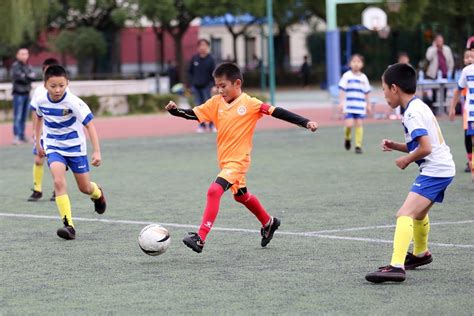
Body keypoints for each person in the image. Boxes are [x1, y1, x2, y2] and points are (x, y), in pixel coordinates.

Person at [165, 62, 318, 253]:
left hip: (239, 161)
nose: (220, 90)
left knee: (214, 190)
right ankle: (268, 222)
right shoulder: (215, 103)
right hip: (225, 161)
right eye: (217, 86)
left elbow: (277, 112)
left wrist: (305, 122)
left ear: (237, 83)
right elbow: (193, 114)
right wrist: (174, 111)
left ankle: (201, 238)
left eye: (224, 86)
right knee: (241, 196)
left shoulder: (250, 104)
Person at [365, 63, 455, 283]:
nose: (384, 95)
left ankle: (396, 266)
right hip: (443, 168)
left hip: (435, 170)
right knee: (419, 214)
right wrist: (396, 146)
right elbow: (422, 144)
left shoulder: (412, 113)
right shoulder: (417, 106)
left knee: (404, 214)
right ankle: (421, 253)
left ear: (394, 88)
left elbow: (425, 148)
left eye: (384, 90)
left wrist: (405, 160)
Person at [33, 65, 107, 240]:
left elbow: (90, 125)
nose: (57, 90)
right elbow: (38, 118)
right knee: (58, 182)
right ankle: (69, 226)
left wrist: (96, 151)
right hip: (54, 147)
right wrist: (37, 142)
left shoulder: (74, 102)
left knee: (84, 188)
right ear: (45, 85)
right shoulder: (41, 100)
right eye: (53, 86)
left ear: (67, 83)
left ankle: (97, 193)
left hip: (75, 148)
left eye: (61, 85)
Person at [28, 58, 63, 202]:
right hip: (42, 131)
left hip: (56, 133)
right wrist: (33, 129)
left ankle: (57, 190)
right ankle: (37, 190)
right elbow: (34, 111)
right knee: (38, 160)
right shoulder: (39, 90)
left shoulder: (62, 89)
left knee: (55, 164)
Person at [449, 49, 474, 181]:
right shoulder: (467, 72)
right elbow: (458, 91)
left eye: (472, 56)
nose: (469, 59)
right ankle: (472, 167)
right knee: (470, 138)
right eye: (467, 57)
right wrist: (453, 107)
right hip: (470, 112)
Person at [338, 54, 371, 154]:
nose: (356, 64)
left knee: (359, 124)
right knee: (349, 124)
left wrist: (368, 104)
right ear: (350, 64)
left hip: (360, 106)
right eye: (354, 61)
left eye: (358, 62)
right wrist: (341, 103)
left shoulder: (364, 77)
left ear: (362, 64)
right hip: (349, 105)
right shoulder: (346, 75)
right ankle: (347, 138)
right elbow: (342, 90)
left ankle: (358, 145)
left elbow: (367, 92)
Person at [188, 39, 216, 133]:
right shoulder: (194, 58)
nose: (202, 47)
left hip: (207, 86)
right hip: (196, 87)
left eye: (204, 45)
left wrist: (214, 85)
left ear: (207, 47)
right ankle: (202, 125)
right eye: (200, 45)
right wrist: (191, 85)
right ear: (198, 47)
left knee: (209, 106)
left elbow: (215, 74)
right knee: (199, 107)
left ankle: (212, 125)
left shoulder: (211, 59)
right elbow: (190, 72)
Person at [10, 48, 36, 144]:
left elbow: (33, 77)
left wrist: (26, 76)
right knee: (18, 116)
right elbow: (19, 78)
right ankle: (16, 136)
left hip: (27, 93)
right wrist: (27, 76)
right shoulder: (15, 66)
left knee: (24, 117)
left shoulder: (28, 66)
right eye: (22, 53)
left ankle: (22, 135)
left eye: (26, 53)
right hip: (18, 94)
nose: (24, 55)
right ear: (17, 55)